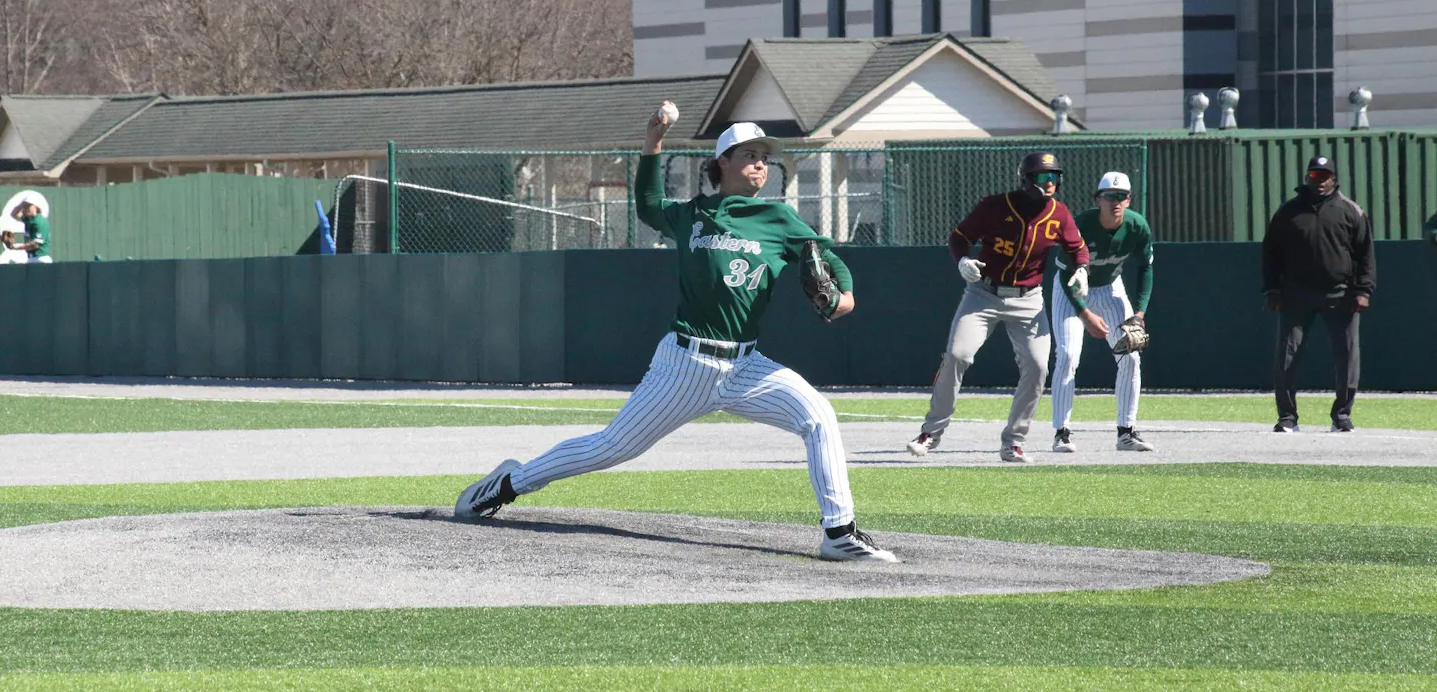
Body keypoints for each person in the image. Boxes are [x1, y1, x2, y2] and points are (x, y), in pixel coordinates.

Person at [455, 108, 898, 563]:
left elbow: (829, 260)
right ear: (722, 162)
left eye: (765, 157)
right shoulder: (694, 214)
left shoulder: (779, 219)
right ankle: (506, 484)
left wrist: (845, 298)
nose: (761, 164)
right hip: (686, 365)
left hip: (747, 366)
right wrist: (653, 141)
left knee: (818, 415)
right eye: (750, 155)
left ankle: (839, 532)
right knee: (610, 448)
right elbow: (647, 205)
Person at [907, 152, 1089, 464]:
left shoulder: (1059, 214)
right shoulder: (995, 206)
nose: (1050, 184)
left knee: (1038, 367)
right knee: (957, 355)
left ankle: (1013, 442)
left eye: (1055, 177)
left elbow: (1077, 248)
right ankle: (930, 433)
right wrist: (962, 260)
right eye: (1044, 177)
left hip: (1028, 299)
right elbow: (959, 237)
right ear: (1027, 179)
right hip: (984, 293)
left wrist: (1082, 269)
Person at [1262, 155, 1375, 433]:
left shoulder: (1351, 211)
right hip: (1296, 294)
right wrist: (1272, 289)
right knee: (1286, 355)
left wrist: (1363, 290)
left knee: (1347, 355)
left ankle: (1342, 416)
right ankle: (1287, 417)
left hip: (1341, 294)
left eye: (1325, 176)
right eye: (1314, 176)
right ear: (1306, 178)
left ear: (1334, 179)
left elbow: (1365, 255)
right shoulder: (1287, 213)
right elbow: (1271, 254)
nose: (1320, 181)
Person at [1049, 172, 1155, 454]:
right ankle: (1061, 432)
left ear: (1129, 199)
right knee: (1068, 354)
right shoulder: (1080, 224)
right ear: (1098, 199)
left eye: (1122, 196)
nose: (1116, 202)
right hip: (1073, 289)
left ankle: (1126, 432)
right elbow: (1064, 275)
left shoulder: (1137, 226)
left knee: (1130, 356)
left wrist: (1140, 312)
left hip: (1110, 288)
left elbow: (1146, 266)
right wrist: (1084, 313)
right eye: (1110, 196)